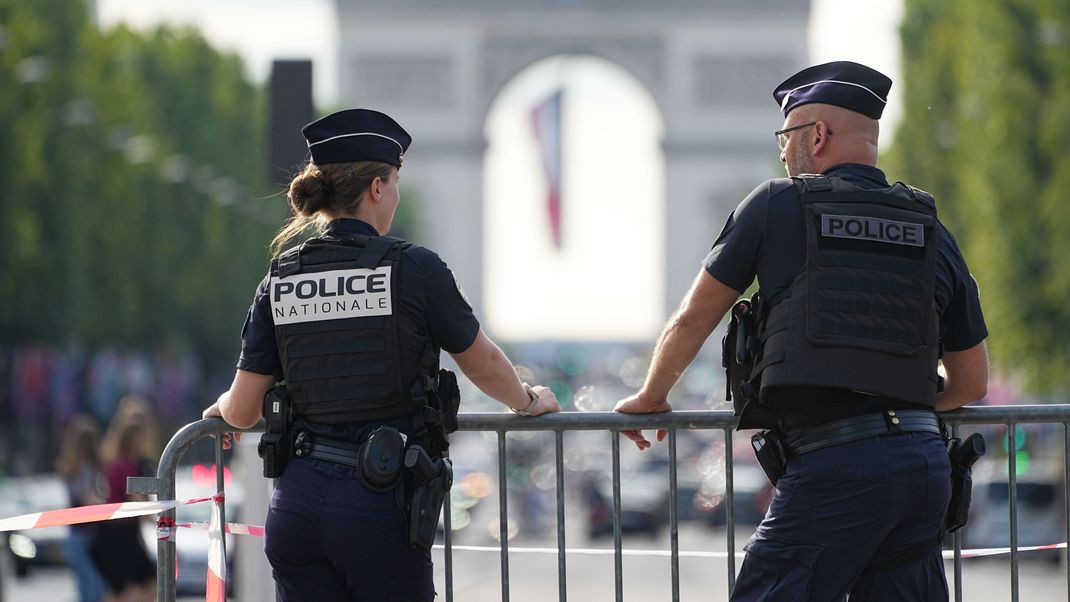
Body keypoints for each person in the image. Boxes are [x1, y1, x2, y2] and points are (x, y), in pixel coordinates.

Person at [614, 61, 989, 601]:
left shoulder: (776, 204)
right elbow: (972, 383)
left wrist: (652, 395)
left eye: (785, 137)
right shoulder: (930, 225)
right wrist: (899, 416)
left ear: (817, 135)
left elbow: (697, 316)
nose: (782, 152)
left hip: (834, 465)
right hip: (923, 469)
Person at [202, 108, 561, 602]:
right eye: (394, 181)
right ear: (376, 187)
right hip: (378, 504)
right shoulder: (415, 269)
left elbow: (242, 411)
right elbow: (483, 363)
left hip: (297, 505)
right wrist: (528, 400)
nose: (395, 193)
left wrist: (222, 405)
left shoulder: (281, 278)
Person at [93, 405, 157, 602]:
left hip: (111, 532)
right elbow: (138, 505)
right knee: (149, 585)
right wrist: (166, 526)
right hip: (124, 534)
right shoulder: (130, 465)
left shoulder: (113, 464)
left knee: (117, 590)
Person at [56, 414, 108, 602]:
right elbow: (89, 499)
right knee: (93, 584)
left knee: (86, 583)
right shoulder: (85, 469)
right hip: (87, 533)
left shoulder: (71, 467)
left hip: (76, 533)